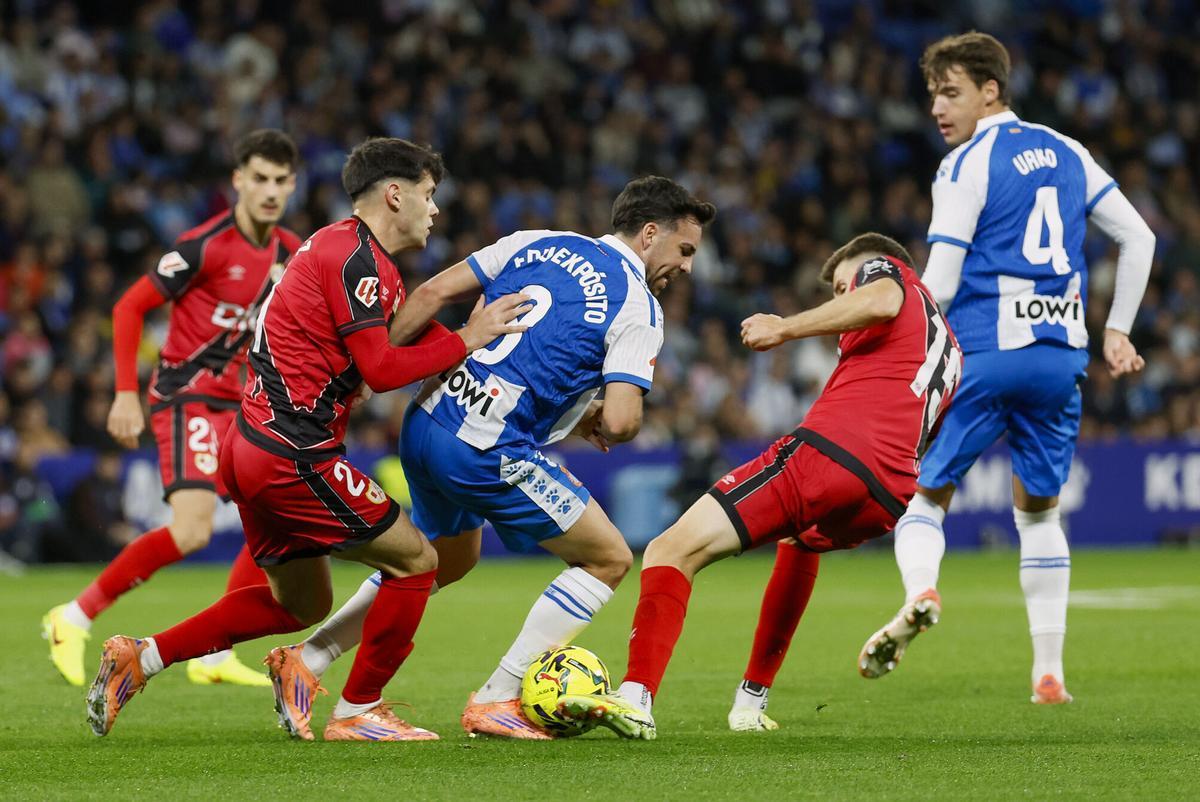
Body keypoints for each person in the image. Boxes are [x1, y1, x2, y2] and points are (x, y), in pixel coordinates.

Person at [84, 137, 528, 741]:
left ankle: (142, 657)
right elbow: (379, 371)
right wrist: (466, 340)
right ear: (394, 194)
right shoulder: (359, 263)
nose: (435, 210)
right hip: (293, 453)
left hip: (249, 446)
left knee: (302, 604)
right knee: (419, 561)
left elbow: (370, 359)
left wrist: (446, 345)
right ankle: (358, 710)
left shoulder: (331, 245)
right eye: (428, 195)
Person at [264, 176, 716, 740]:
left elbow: (428, 296)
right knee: (608, 558)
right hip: (485, 446)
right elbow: (623, 422)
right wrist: (603, 409)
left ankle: (308, 658)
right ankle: (498, 697)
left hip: (427, 416)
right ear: (650, 235)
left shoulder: (540, 240)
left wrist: (365, 375)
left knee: (446, 559)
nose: (688, 267)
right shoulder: (639, 308)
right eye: (685, 250)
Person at [557, 233, 962, 739]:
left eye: (841, 286)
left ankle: (636, 696)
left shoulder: (885, 270)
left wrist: (785, 328)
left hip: (831, 456)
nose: (842, 299)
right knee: (801, 541)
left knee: (668, 549)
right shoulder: (948, 347)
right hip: (888, 494)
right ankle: (750, 700)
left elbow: (879, 299)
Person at [856, 32, 1154, 705]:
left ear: (991, 90)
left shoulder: (967, 164)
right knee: (1040, 515)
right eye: (933, 93)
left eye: (951, 90)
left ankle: (920, 592)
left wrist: (896, 344)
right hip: (1059, 357)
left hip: (986, 354)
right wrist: (1118, 330)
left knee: (922, 496)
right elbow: (1140, 237)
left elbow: (941, 283)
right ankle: (1048, 674)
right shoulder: (1073, 152)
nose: (937, 106)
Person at [44, 130, 303, 688]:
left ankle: (214, 656)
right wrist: (123, 393)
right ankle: (73, 617)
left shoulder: (292, 253)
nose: (270, 190)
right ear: (237, 179)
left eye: (281, 181)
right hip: (188, 397)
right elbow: (128, 307)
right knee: (191, 532)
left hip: (242, 405)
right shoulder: (204, 245)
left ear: (294, 185)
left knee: (278, 511)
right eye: (259, 178)